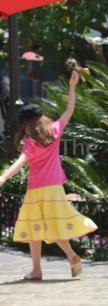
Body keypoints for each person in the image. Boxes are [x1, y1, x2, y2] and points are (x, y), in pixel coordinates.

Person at [0, 71, 97, 281]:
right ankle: (71, 256)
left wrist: (3, 177)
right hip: (55, 188)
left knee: (34, 228)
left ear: (25, 123)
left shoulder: (29, 142)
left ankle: (37, 269)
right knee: (53, 224)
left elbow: (21, 162)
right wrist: (72, 87)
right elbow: (69, 110)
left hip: (36, 190)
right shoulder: (54, 130)